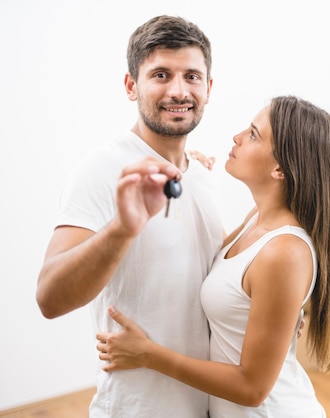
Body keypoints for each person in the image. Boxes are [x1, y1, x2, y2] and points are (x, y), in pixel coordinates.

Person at [95, 95, 330, 417]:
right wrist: (186, 174)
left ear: (280, 170)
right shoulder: (256, 219)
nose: (237, 137)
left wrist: (148, 355)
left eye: (254, 134)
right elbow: (216, 262)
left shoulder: (283, 253)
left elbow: (252, 389)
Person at [36, 15, 223, 417]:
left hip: (211, 405)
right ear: (131, 86)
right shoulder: (103, 169)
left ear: (208, 89)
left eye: (192, 76)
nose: (178, 90)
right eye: (160, 74)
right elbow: (49, 298)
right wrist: (122, 230)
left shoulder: (202, 175)